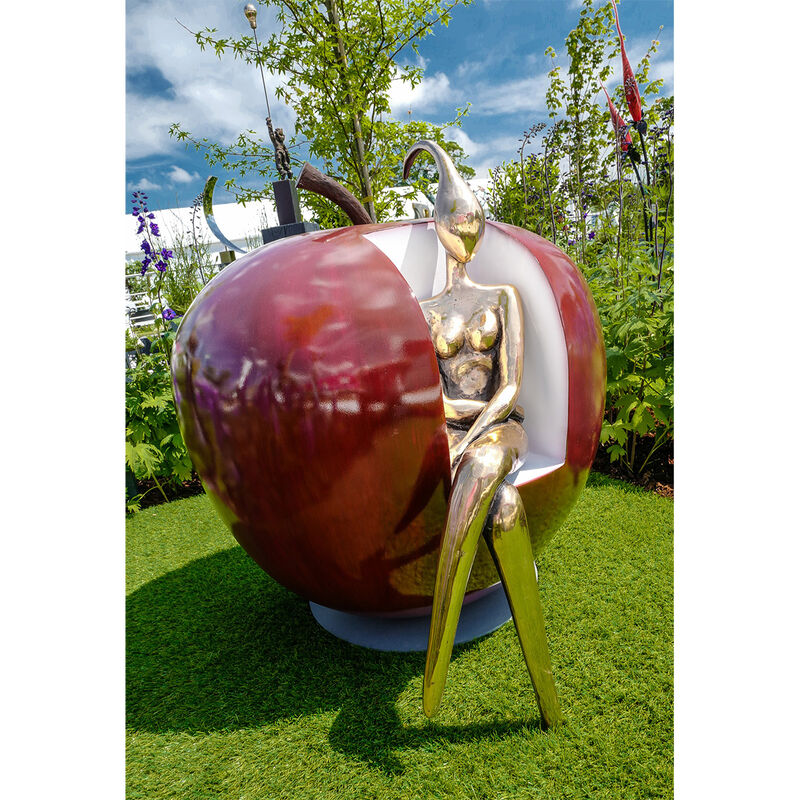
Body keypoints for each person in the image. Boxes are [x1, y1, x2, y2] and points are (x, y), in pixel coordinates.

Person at [404, 141, 561, 728]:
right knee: (505, 509)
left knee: (483, 468)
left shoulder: (503, 298)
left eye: (474, 221)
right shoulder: (424, 311)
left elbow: (511, 385)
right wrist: (456, 427)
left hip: (501, 429)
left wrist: (476, 434)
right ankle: (546, 701)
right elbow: (429, 392)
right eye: (457, 220)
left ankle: (435, 667)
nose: (467, 231)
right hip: (449, 429)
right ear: (439, 226)